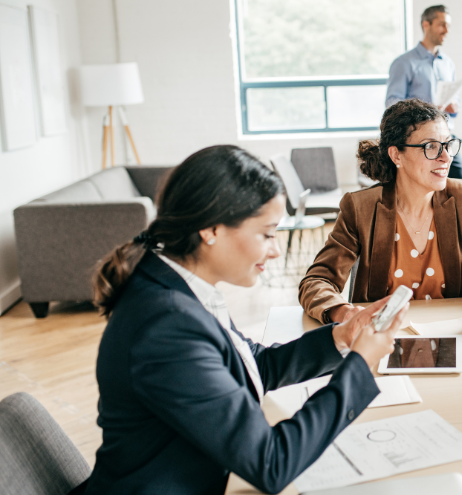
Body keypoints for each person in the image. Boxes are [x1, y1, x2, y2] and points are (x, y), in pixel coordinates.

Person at [78, 146, 408, 494]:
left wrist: (341, 337)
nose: (276, 249)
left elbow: (252, 366)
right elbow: (271, 463)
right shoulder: (167, 325)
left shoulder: (179, 286)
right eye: (266, 234)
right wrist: (360, 365)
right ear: (211, 230)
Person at [299, 99, 462, 334]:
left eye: (448, 145)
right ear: (396, 155)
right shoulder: (361, 208)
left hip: (459, 337)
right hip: (383, 340)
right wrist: (345, 313)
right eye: (430, 147)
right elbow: (316, 281)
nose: (445, 157)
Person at [385, 5, 462, 179]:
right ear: (426, 25)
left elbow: (456, 101)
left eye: (449, 26)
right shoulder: (404, 63)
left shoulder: (448, 64)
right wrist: (427, 108)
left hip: (445, 137)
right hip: (419, 141)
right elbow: (392, 103)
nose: (447, 30)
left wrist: (454, 106)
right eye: (442, 25)